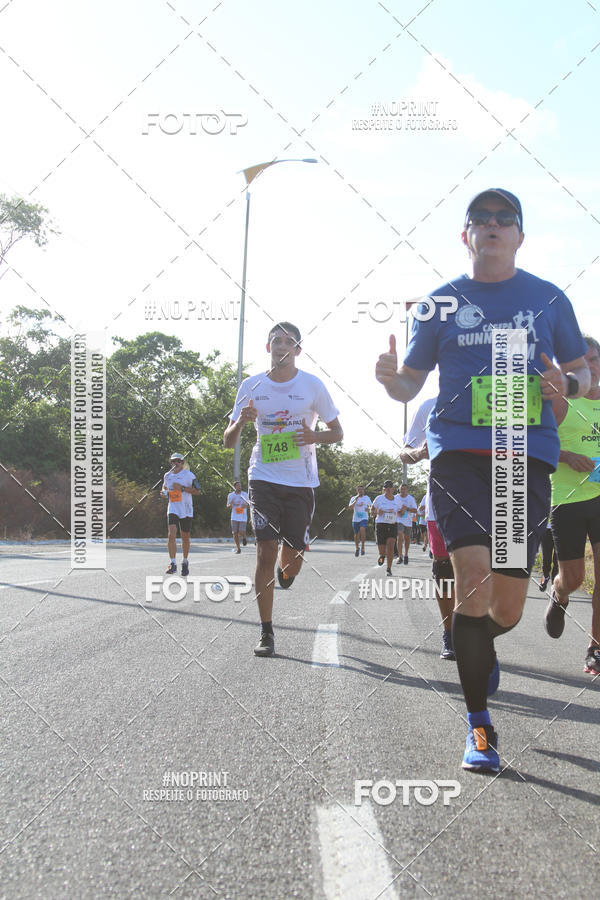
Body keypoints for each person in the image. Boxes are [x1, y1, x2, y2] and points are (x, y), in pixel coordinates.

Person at [376, 188, 589, 773]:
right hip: (459, 454)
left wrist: (563, 389)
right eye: (481, 220)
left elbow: (582, 373)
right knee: (471, 575)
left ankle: (483, 641)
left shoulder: (548, 299)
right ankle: (480, 730)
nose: (493, 227)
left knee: (507, 607)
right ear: (465, 235)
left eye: (505, 219)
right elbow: (408, 386)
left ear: (520, 235)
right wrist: (390, 380)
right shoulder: (439, 304)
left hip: (523, 454)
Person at [224, 322, 342, 657]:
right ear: (268, 347)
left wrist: (314, 437)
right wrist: (241, 422)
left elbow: (338, 432)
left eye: (289, 341)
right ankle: (266, 632)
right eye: (276, 340)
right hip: (262, 478)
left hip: (301, 482)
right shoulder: (251, 385)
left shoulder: (312, 385)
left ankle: (286, 573)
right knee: (264, 551)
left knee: (292, 557)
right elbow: (228, 440)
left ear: (298, 350)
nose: (282, 345)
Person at [545, 336, 600, 675]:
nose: (587, 368)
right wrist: (566, 456)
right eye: (579, 363)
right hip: (566, 500)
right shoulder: (558, 402)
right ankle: (560, 594)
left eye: (593, 360)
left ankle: (595, 648)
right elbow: (530, 445)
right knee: (575, 578)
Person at [399, 395, 456, 660]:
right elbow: (404, 452)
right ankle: (450, 633)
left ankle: (475, 630)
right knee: (444, 571)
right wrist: (420, 453)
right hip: (440, 504)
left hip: (484, 503)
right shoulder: (429, 406)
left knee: (478, 571)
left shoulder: (490, 397)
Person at [161, 453, 201, 576]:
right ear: (170, 463)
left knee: (185, 537)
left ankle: (185, 561)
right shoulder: (167, 476)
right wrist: (163, 493)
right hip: (173, 507)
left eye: (178, 461)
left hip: (186, 509)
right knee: (171, 534)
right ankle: (172, 563)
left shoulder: (189, 475)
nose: (176, 463)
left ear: (183, 463)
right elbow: (164, 489)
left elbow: (199, 491)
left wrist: (183, 488)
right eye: (173, 461)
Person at [371, 480, 400, 576]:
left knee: (391, 545)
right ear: (384, 489)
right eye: (386, 487)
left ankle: (389, 568)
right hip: (381, 524)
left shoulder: (397, 500)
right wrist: (377, 512)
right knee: (382, 548)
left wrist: (400, 512)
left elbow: (401, 513)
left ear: (393, 489)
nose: (388, 489)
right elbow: (372, 511)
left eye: (390, 487)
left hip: (392, 524)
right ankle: (382, 555)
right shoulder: (379, 498)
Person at [395, 483, 417, 564]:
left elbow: (415, 510)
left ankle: (406, 555)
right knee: (399, 535)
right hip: (399, 520)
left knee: (407, 538)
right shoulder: (396, 498)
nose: (403, 491)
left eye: (405, 489)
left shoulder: (410, 498)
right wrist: (400, 511)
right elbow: (394, 509)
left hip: (408, 521)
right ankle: (400, 556)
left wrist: (406, 508)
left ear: (407, 490)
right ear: (399, 489)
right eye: (401, 489)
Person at [226, 481, 250, 553]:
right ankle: (238, 548)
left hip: (242, 516)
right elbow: (228, 506)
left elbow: (248, 504)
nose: (240, 487)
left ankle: (244, 537)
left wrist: (245, 505)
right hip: (234, 516)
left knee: (241, 531)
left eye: (240, 485)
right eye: (238, 486)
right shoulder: (231, 495)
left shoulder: (244, 494)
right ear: (234, 487)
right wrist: (230, 504)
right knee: (235, 533)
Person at [349, 485, 371, 556]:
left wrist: (369, 509)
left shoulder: (366, 498)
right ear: (357, 491)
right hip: (356, 518)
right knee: (356, 535)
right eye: (359, 490)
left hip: (364, 518)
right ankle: (357, 548)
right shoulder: (353, 498)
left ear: (363, 490)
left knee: (362, 529)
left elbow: (371, 507)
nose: (360, 491)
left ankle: (363, 547)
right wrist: (355, 500)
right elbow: (350, 507)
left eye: (362, 489)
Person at [538, 519, 558, 592]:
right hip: (546, 528)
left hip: (561, 529)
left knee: (557, 560)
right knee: (546, 558)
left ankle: (555, 584)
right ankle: (546, 576)